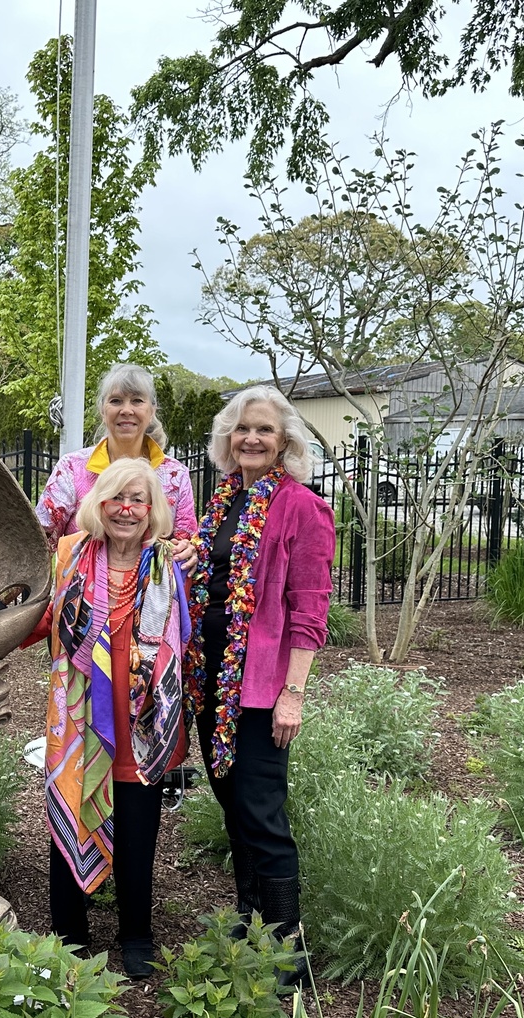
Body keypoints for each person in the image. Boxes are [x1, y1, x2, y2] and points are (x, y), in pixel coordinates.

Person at [180, 385, 334, 984]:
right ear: (228, 438)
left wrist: (292, 694)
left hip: (261, 688)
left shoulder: (301, 507)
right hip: (211, 681)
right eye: (243, 428)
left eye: (265, 430)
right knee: (233, 804)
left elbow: (309, 612)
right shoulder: (223, 504)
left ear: (285, 441)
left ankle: (290, 954)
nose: (252, 438)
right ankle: (250, 923)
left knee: (262, 811)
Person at [31, 457, 190, 979]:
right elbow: (46, 618)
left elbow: (184, 642)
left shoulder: (166, 564)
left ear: (152, 510)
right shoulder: (70, 553)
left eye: (138, 500)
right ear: (98, 504)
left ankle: (136, 934)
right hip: (78, 718)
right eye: (117, 498)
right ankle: (70, 934)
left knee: (139, 829)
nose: (127, 509)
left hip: (140, 720)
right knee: (70, 815)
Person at [36, 363, 198, 549]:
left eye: (137, 400)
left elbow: (185, 544)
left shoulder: (175, 475)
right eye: (116, 401)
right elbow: (40, 541)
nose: (126, 410)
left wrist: (188, 549)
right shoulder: (72, 468)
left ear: (152, 411)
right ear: (102, 410)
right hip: (81, 578)